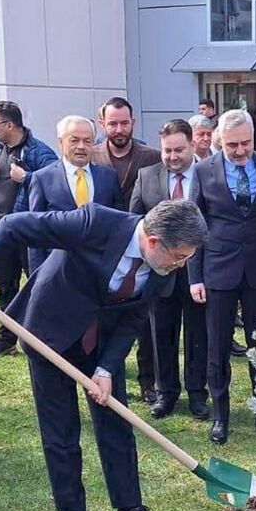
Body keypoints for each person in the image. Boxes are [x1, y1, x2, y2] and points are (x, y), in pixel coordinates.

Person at [0, 200, 208, 511]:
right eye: (179, 256)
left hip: (103, 341)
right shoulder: (95, 223)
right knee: (61, 429)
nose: (182, 265)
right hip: (50, 330)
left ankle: (129, 507)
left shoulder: (164, 269)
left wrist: (106, 368)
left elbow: (134, 319)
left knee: (117, 426)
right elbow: (13, 225)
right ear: (153, 241)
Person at [190, 108, 256, 445]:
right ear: (220, 140)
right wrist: (195, 277)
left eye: (245, 144)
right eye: (232, 145)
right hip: (218, 269)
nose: (239, 150)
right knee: (217, 346)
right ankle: (221, 415)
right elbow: (195, 225)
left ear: (254, 138)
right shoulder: (204, 171)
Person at [131, 120, 209, 421]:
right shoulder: (146, 177)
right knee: (160, 333)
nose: (173, 156)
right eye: (167, 150)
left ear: (192, 145)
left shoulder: (208, 175)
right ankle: (166, 393)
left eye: (179, 149)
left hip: (196, 273)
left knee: (197, 334)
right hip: (159, 273)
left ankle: (197, 394)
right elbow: (135, 221)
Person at [93, 97, 162, 404]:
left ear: (133, 122)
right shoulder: (92, 156)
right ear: (102, 124)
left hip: (143, 248)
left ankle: (149, 380)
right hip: (105, 251)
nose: (119, 129)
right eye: (113, 123)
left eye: (124, 122)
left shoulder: (151, 156)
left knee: (142, 320)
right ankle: (106, 372)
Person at [0, 100, 58, 359]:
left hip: (28, 231)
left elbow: (54, 184)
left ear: (10, 124)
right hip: (0, 228)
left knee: (38, 285)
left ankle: (43, 336)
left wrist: (26, 177)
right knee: (5, 286)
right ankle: (7, 338)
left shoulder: (39, 152)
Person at [21, 115, 121, 273]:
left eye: (87, 141)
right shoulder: (42, 179)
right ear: (61, 142)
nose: (81, 146)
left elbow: (118, 225)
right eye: (74, 140)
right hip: (57, 270)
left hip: (99, 269)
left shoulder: (108, 177)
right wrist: (37, 276)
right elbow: (35, 233)